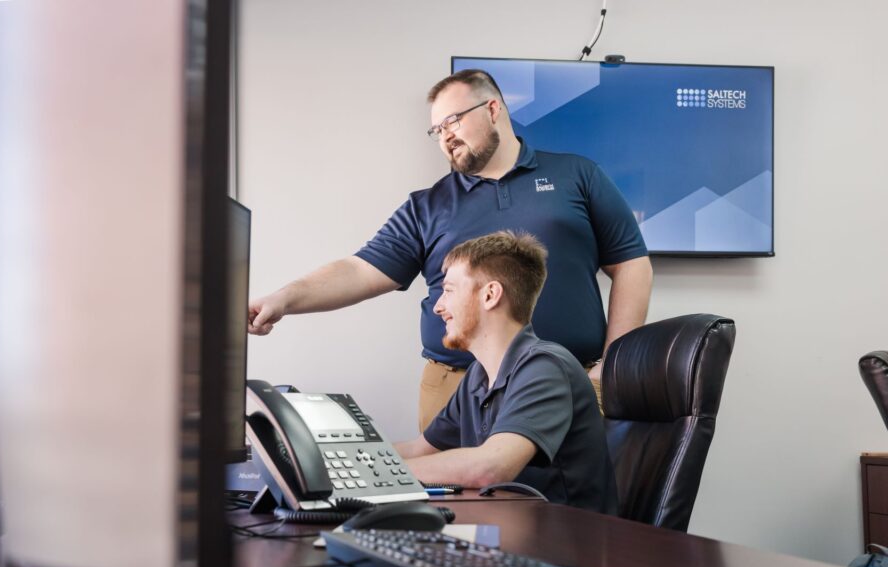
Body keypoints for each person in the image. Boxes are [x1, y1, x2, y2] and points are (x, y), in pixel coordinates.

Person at [248, 69, 652, 429]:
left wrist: (610, 366)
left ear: (493, 108)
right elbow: (359, 270)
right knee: (450, 505)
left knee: (562, 506)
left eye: (453, 121)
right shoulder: (428, 205)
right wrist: (283, 299)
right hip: (454, 388)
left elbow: (632, 264)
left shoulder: (576, 175)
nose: (446, 137)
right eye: (437, 130)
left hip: (566, 380)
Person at [396, 231, 616, 512]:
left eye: (449, 290)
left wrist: (384, 473)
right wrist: (345, 462)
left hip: (565, 543)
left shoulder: (545, 368)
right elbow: (420, 449)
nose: (438, 306)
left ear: (490, 295)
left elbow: (491, 467)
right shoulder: (478, 375)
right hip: (510, 529)